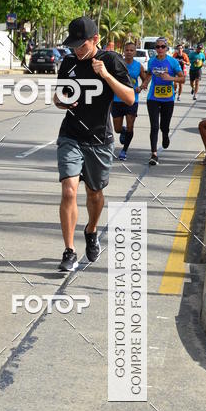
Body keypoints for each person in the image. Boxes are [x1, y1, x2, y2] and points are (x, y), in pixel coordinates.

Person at [53, 16, 134, 272]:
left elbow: (129, 98)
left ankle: (91, 229)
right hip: (71, 135)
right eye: (73, 46)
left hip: (99, 139)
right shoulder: (68, 63)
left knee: (94, 193)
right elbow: (59, 96)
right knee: (69, 190)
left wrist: (106, 75)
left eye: (82, 45)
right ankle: (69, 251)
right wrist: (62, 101)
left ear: (95, 39)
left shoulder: (111, 60)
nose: (77, 50)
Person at [142, 37, 184, 166]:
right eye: (157, 47)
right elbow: (149, 74)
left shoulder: (172, 62)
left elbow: (182, 79)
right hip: (153, 98)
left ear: (166, 48)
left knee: (164, 126)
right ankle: (154, 154)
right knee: (154, 126)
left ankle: (165, 134)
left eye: (162, 47)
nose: (160, 49)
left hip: (168, 98)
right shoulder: (152, 61)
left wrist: (170, 78)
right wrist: (145, 83)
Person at [111, 40, 146, 160]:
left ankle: (124, 150)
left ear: (135, 52)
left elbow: (145, 79)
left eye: (132, 50)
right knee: (117, 129)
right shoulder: (117, 64)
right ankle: (123, 131)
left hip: (132, 100)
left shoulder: (138, 66)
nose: (129, 52)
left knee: (131, 126)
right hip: (117, 99)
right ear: (123, 51)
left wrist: (141, 87)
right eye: (127, 50)